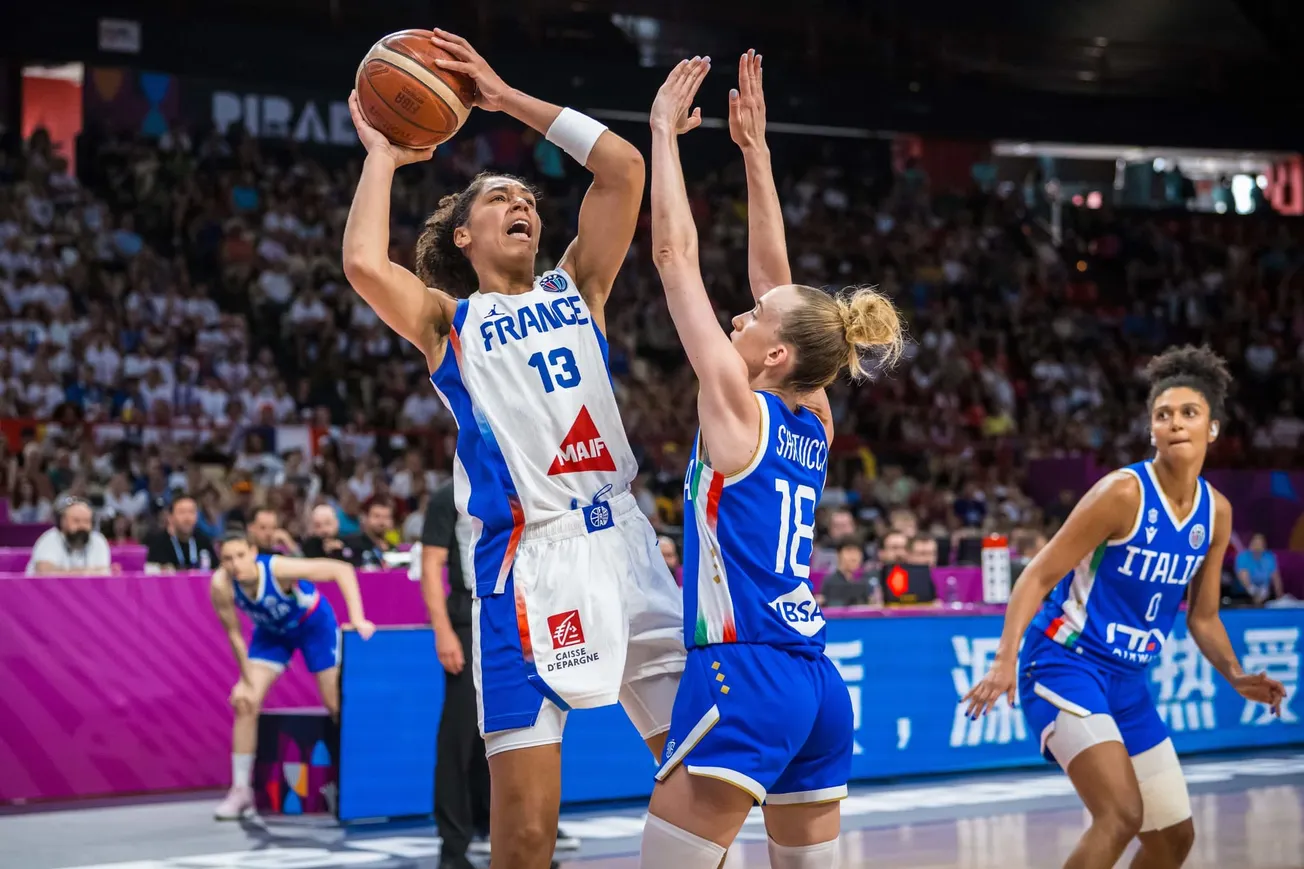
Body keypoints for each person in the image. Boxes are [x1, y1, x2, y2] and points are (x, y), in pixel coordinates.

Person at [342, 29, 684, 869]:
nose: (519, 202)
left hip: (629, 547)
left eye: (525, 194)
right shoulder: (445, 322)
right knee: (526, 836)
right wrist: (384, 155)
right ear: (462, 235)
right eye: (496, 198)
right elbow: (360, 261)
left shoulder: (581, 287)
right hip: (526, 567)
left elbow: (624, 169)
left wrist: (503, 96)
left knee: (702, 772)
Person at [640, 53, 904, 867]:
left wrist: (662, 136)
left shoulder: (733, 400)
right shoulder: (812, 412)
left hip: (744, 674)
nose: (740, 311)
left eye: (752, 317)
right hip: (817, 686)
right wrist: (755, 153)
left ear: (776, 355)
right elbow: (781, 287)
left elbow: (673, 261)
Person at [964, 346, 1287, 869]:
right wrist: (1004, 660)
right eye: (1163, 415)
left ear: (1214, 430)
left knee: (1173, 838)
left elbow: (1202, 616)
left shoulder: (1216, 513)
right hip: (1063, 663)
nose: (1175, 423)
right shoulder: (1123, 492)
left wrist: (1234, 673)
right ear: (1151, 429)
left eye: (1189, 413)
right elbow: (1039, 574)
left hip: (1129, 684)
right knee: (1119, 815)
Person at [209, 534, 376, 820]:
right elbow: (235, 636)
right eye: (227, 559)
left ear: (252, 550)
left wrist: (357, 617)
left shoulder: (278, 569)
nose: (235, 564)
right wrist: (246, 682)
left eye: (240, 555)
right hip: (272, 635)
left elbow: (341, 570)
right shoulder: (221, 585)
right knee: (245, 701)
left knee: (336, 704)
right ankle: (241, 791)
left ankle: (354, 781)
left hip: (312, 626)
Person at [420, 481, 489, 869]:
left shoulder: (516, 481)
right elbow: (431, 567)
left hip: (511, 616)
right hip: (466, 616)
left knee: (512, 733)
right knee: (458, 738)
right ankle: (453, 848)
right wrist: (443, 630)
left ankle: (514, 830)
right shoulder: (449, 495)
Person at [26, 496, 113, 575]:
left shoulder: (98, 541)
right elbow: (44, 572)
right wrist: (86, 572)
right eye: (76, 521)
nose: (81, 526)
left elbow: (103, 574)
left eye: (86, 521)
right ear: (62, 522)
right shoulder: (49, 539)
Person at [144, 494, 217, 572]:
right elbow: (150, 573)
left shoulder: (203, 542)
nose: (187, 518)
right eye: (182, 512)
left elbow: (216, 569)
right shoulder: (158, 543)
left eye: (191, 512)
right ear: (170, 517)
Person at [1234, 533, 1283, 605]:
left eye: (1260, 543)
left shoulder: (1270, 557)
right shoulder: (1242, 556)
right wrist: (1253, 590)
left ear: (1264, 545)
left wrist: (1279, 596)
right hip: (1244, 591)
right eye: (1255, 543)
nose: (1257, 546)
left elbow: (1276, 577)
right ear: (1250, 544)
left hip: (1265, 590)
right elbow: (1242, 575)